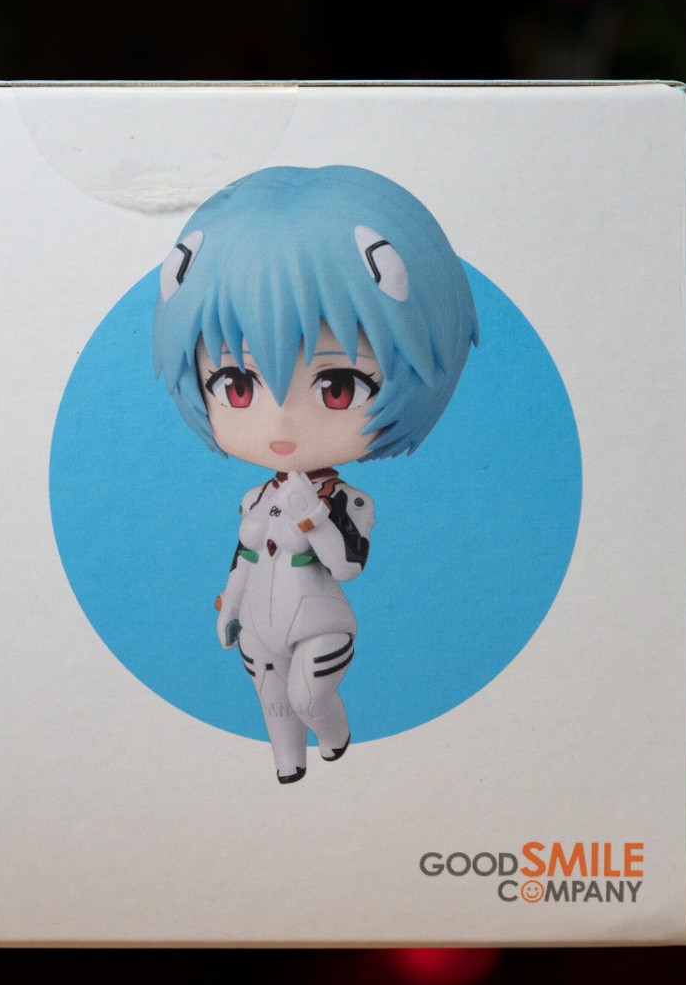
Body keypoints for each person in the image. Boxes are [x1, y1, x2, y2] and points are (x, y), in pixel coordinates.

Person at [152, 165, 478, 783]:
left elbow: (348, 565)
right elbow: (244, 559)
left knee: (308, 697)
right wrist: (229, 606)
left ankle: (334, 736)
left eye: (337, 387)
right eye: (238, 385)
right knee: (273, 705)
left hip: (318, 621)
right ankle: (288, 775)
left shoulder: (347, 501)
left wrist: (313, 518)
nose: (280, 420)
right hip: (259, 622)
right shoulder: (255, 498)